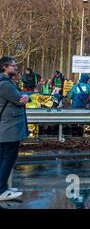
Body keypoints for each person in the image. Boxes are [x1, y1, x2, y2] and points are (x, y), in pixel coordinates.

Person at [0, 56, 29, 201]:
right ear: (5, 66)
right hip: (8, 128)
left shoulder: (6, 82)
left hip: (6, 127)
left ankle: (3, 186)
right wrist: (25, 98)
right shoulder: (4, 84)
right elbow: (20, 100)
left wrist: (22, 97)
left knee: (4, 157)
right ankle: (1, 190)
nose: (16, 67)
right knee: (8, 158)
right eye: (13, 65)